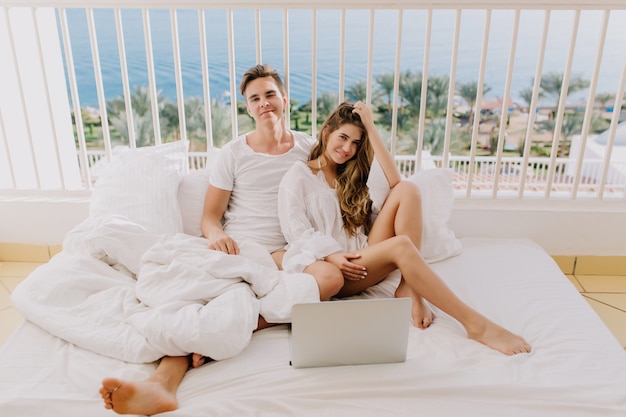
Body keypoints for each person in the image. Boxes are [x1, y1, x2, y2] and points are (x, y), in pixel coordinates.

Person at [99, 64, 338, 415]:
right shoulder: (233, 153)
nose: (264, 103)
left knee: (331, 278)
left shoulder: (309, 149)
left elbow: (336, 190)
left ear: (284, 98)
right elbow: (210, 218)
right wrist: (217, 236)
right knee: (211, 297)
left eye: (270, 94)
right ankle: (160, 385)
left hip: (287, 253)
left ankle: (240, 327)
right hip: (240, 250)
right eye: (254, 98)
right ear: (247, 107)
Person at [277, 101, 532, 356]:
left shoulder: (351, 173)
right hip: (338, 269)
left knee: (408, 189)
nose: (347, 149)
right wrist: (332, 255)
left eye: (355, 143)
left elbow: (395, 182)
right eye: (343, 138)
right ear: (326, 132)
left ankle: (409, 287)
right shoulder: (298, 175)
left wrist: (371, 127)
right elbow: (296, 231)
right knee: (401, 245)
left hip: (364, 256)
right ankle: (476, 325)